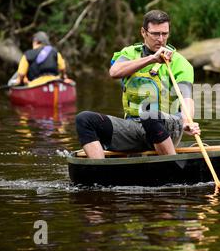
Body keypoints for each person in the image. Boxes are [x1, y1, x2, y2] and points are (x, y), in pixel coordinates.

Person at [76, 10, 200, 159]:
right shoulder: (129, 53)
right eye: (155, 34)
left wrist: (187, 121)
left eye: (164, 34)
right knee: (84, 119)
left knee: (148, 113)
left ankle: (171, 165)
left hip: (167, 127)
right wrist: (152, 59)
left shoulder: (180, 63)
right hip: (133, 127)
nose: (160, 39)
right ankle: (101, 171)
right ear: (143, 32)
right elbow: (114, 72)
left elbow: (186, 97)